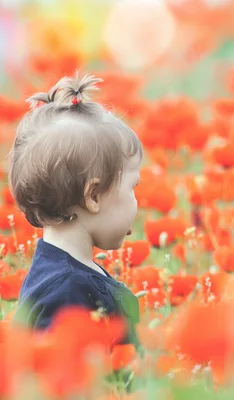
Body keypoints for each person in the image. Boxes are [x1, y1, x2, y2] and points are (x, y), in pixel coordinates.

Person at [9, 72, 143, 347]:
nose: (136, 201)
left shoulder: (69, 274)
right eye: (132, 187)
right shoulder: (66, 292)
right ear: (92, 195)